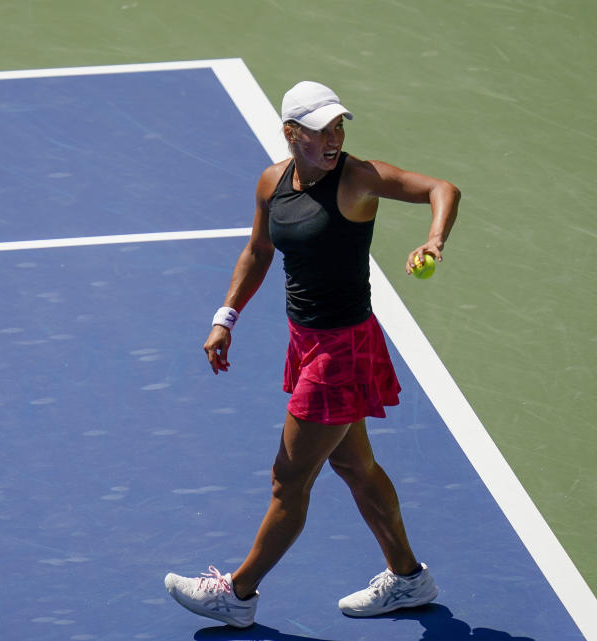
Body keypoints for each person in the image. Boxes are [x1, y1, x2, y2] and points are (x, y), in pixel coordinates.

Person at [163, 80, 460, 628]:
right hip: (305, 342)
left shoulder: (358, 178)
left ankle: (237, 593)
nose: (334, 138)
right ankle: (409, 578)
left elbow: (442, 189)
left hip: (342, 350)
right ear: (291, 133)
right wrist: (225, 316)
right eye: (321, 129)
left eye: (339, 126)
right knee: (354, 464)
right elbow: (258, 249)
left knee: (288, 480)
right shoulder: (272, 182)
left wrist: (434, 239)